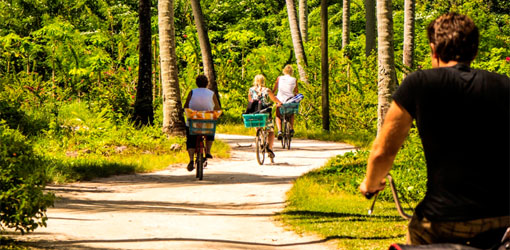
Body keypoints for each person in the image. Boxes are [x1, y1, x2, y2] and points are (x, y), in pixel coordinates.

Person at [359, 13, 509, 249]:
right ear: (475, 51)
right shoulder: (504, 85)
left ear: (433, 49)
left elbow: (383, 151)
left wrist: (370, 185)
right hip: (500, 218)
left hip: (439, 220)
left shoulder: (420, 82)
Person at [183, 75, 221, 172]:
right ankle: (208, 151)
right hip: (207, 122)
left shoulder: (192, 92)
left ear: (196, 83)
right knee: (210, 132)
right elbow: (217, 108)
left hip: (193, 123)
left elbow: (186, 106)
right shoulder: (211, 93)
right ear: (207, 83)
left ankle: (191, 160)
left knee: (191, 139)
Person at [248, 74, 282, 158]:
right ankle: (269, 148)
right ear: (263, 81)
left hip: (255, 112)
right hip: (264, 112)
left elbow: (250, 100)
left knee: (257, 123)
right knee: (270, 130)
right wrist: (279, 103)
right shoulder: (267, 90)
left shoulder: (251, 90)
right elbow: (273, 99)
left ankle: (260, 138)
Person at [273, 65, 299, 140]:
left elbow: (275, 89)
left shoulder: (279, 78)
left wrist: (272, 94)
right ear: (291, 72)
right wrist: (294, 94)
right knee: (291, 113)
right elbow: (296, 91)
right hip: (290, 99)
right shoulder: (294, 79)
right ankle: (291, 128)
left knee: (278, 115)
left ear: (284, 71)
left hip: (280, 100)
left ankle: (279, 131)